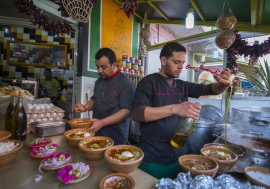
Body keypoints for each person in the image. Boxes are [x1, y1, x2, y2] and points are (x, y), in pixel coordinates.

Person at [131, 42, 234, 179]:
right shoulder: (148, 83)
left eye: (183, 62)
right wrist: (175, 108)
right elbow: (137, 113)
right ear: (163, 60)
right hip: (154, 158)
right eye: (176, 62)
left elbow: (211, 89)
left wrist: (223, 84)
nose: (181, 66)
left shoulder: (181, 85)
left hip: (180, 156)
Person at [73, 48, 135, 145]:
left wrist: (102, 122)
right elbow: (94, 99)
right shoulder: (99, 81)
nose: (99, 70)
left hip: (115, 135)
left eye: (103, 67)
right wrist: (85, 107)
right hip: (97, 132)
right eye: (97, 67)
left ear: (114, 65)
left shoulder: (126, 83)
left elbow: (127, 111)